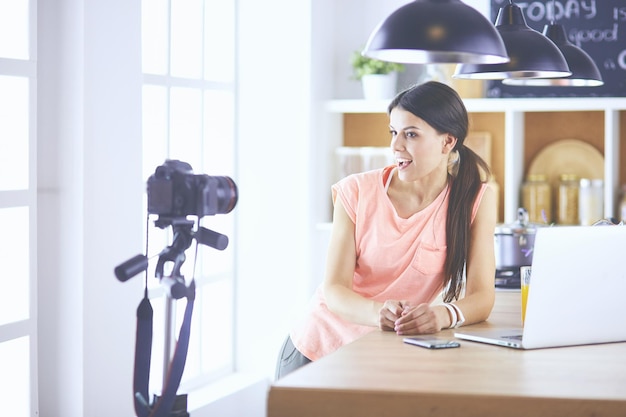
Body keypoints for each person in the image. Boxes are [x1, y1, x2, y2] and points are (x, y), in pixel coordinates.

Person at [275, 81, 497, 379]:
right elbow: (335, 290)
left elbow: (482, 296)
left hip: (382, 359)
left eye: (411, 134)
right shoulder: (355, 191)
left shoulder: (474, 200)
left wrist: (442, 314)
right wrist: (377, 312)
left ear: (447, 142)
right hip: (317, 354)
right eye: (394, 132)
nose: (395, 146)